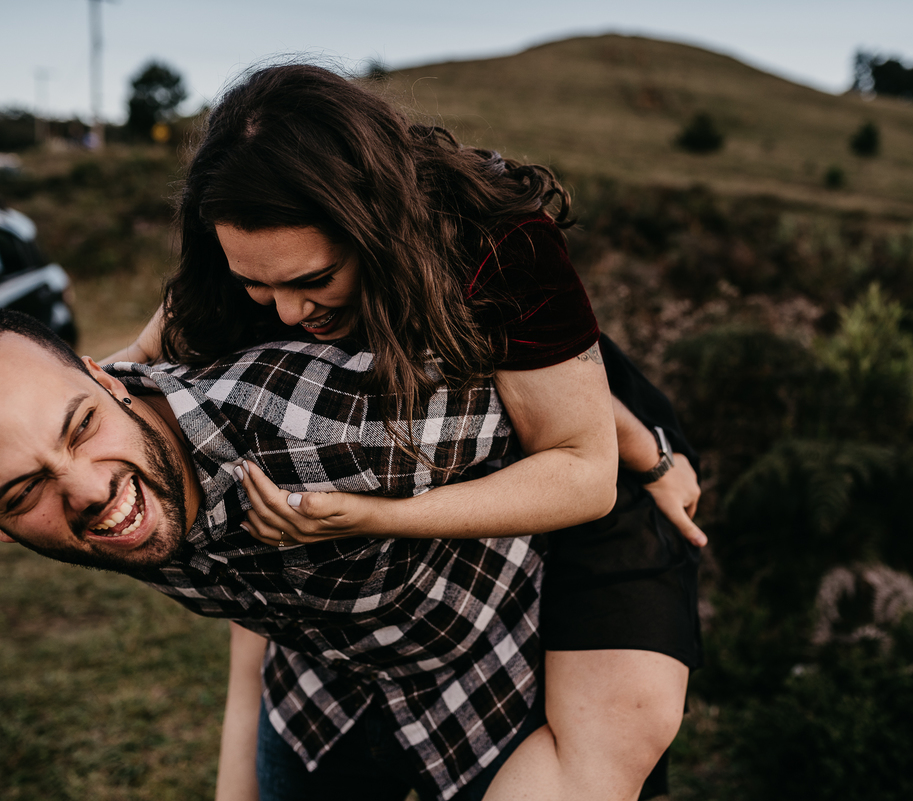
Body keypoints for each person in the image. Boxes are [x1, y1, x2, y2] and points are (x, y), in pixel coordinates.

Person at [107, 64, 705, 801]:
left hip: (583, 442)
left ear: (373, 226)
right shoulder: (241, 263)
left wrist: (652, 457)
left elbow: (578, 452)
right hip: (504, 425)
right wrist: (109, 377)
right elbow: (145, 352)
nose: (287, 312)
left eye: (313, 279)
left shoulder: (494, 242)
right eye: (259, 285)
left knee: (621, 727)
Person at [0, 309, 548, 801]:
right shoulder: (118, 497)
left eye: (80, 427)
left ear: (106, 379)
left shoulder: (335, 426)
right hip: (318, 693)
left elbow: (561, 432)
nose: (91, 491)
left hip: (486, 680)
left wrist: (655, 465)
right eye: (23, 490)